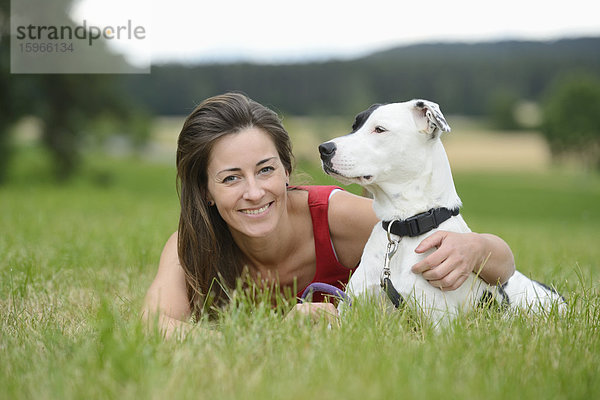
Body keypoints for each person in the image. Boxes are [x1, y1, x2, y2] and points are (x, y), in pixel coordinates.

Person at [143, 92, 515, 337]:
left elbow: (502, 267)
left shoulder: (337, 217)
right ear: (205, 190)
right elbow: (151, 325)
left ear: (287, 169)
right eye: (230, 178)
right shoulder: (192, 246)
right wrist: (274, 337)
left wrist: (476, 248)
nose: (254, 192)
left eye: (266, 169)